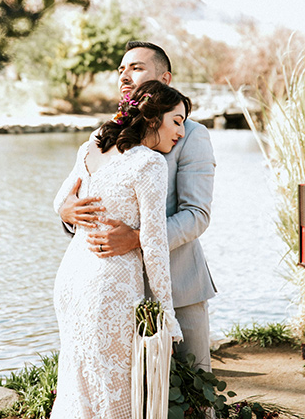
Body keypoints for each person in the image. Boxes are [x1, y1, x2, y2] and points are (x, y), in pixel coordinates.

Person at [60, 41, 216, 371]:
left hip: (179, 287)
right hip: (111, 294)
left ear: (165, 78)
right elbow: (75, 196)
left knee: (193, 394)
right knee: (134, 395)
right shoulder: (104, 137)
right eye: (121, 69)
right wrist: (66, 213)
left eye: (137, 68)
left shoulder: (191, 134)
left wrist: (137, 238)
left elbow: (197, 215)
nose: (125, 75)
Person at [51, 80, 188, 419]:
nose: (181, 132)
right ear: (153, 118)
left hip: (71, 278)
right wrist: (168, 318)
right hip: (108, 287)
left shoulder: (92, 146)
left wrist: (70, 212)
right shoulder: (150, 163)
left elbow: (60, 202)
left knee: (76, 386)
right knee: (114, 395)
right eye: (177, 120)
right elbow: (154, 245)